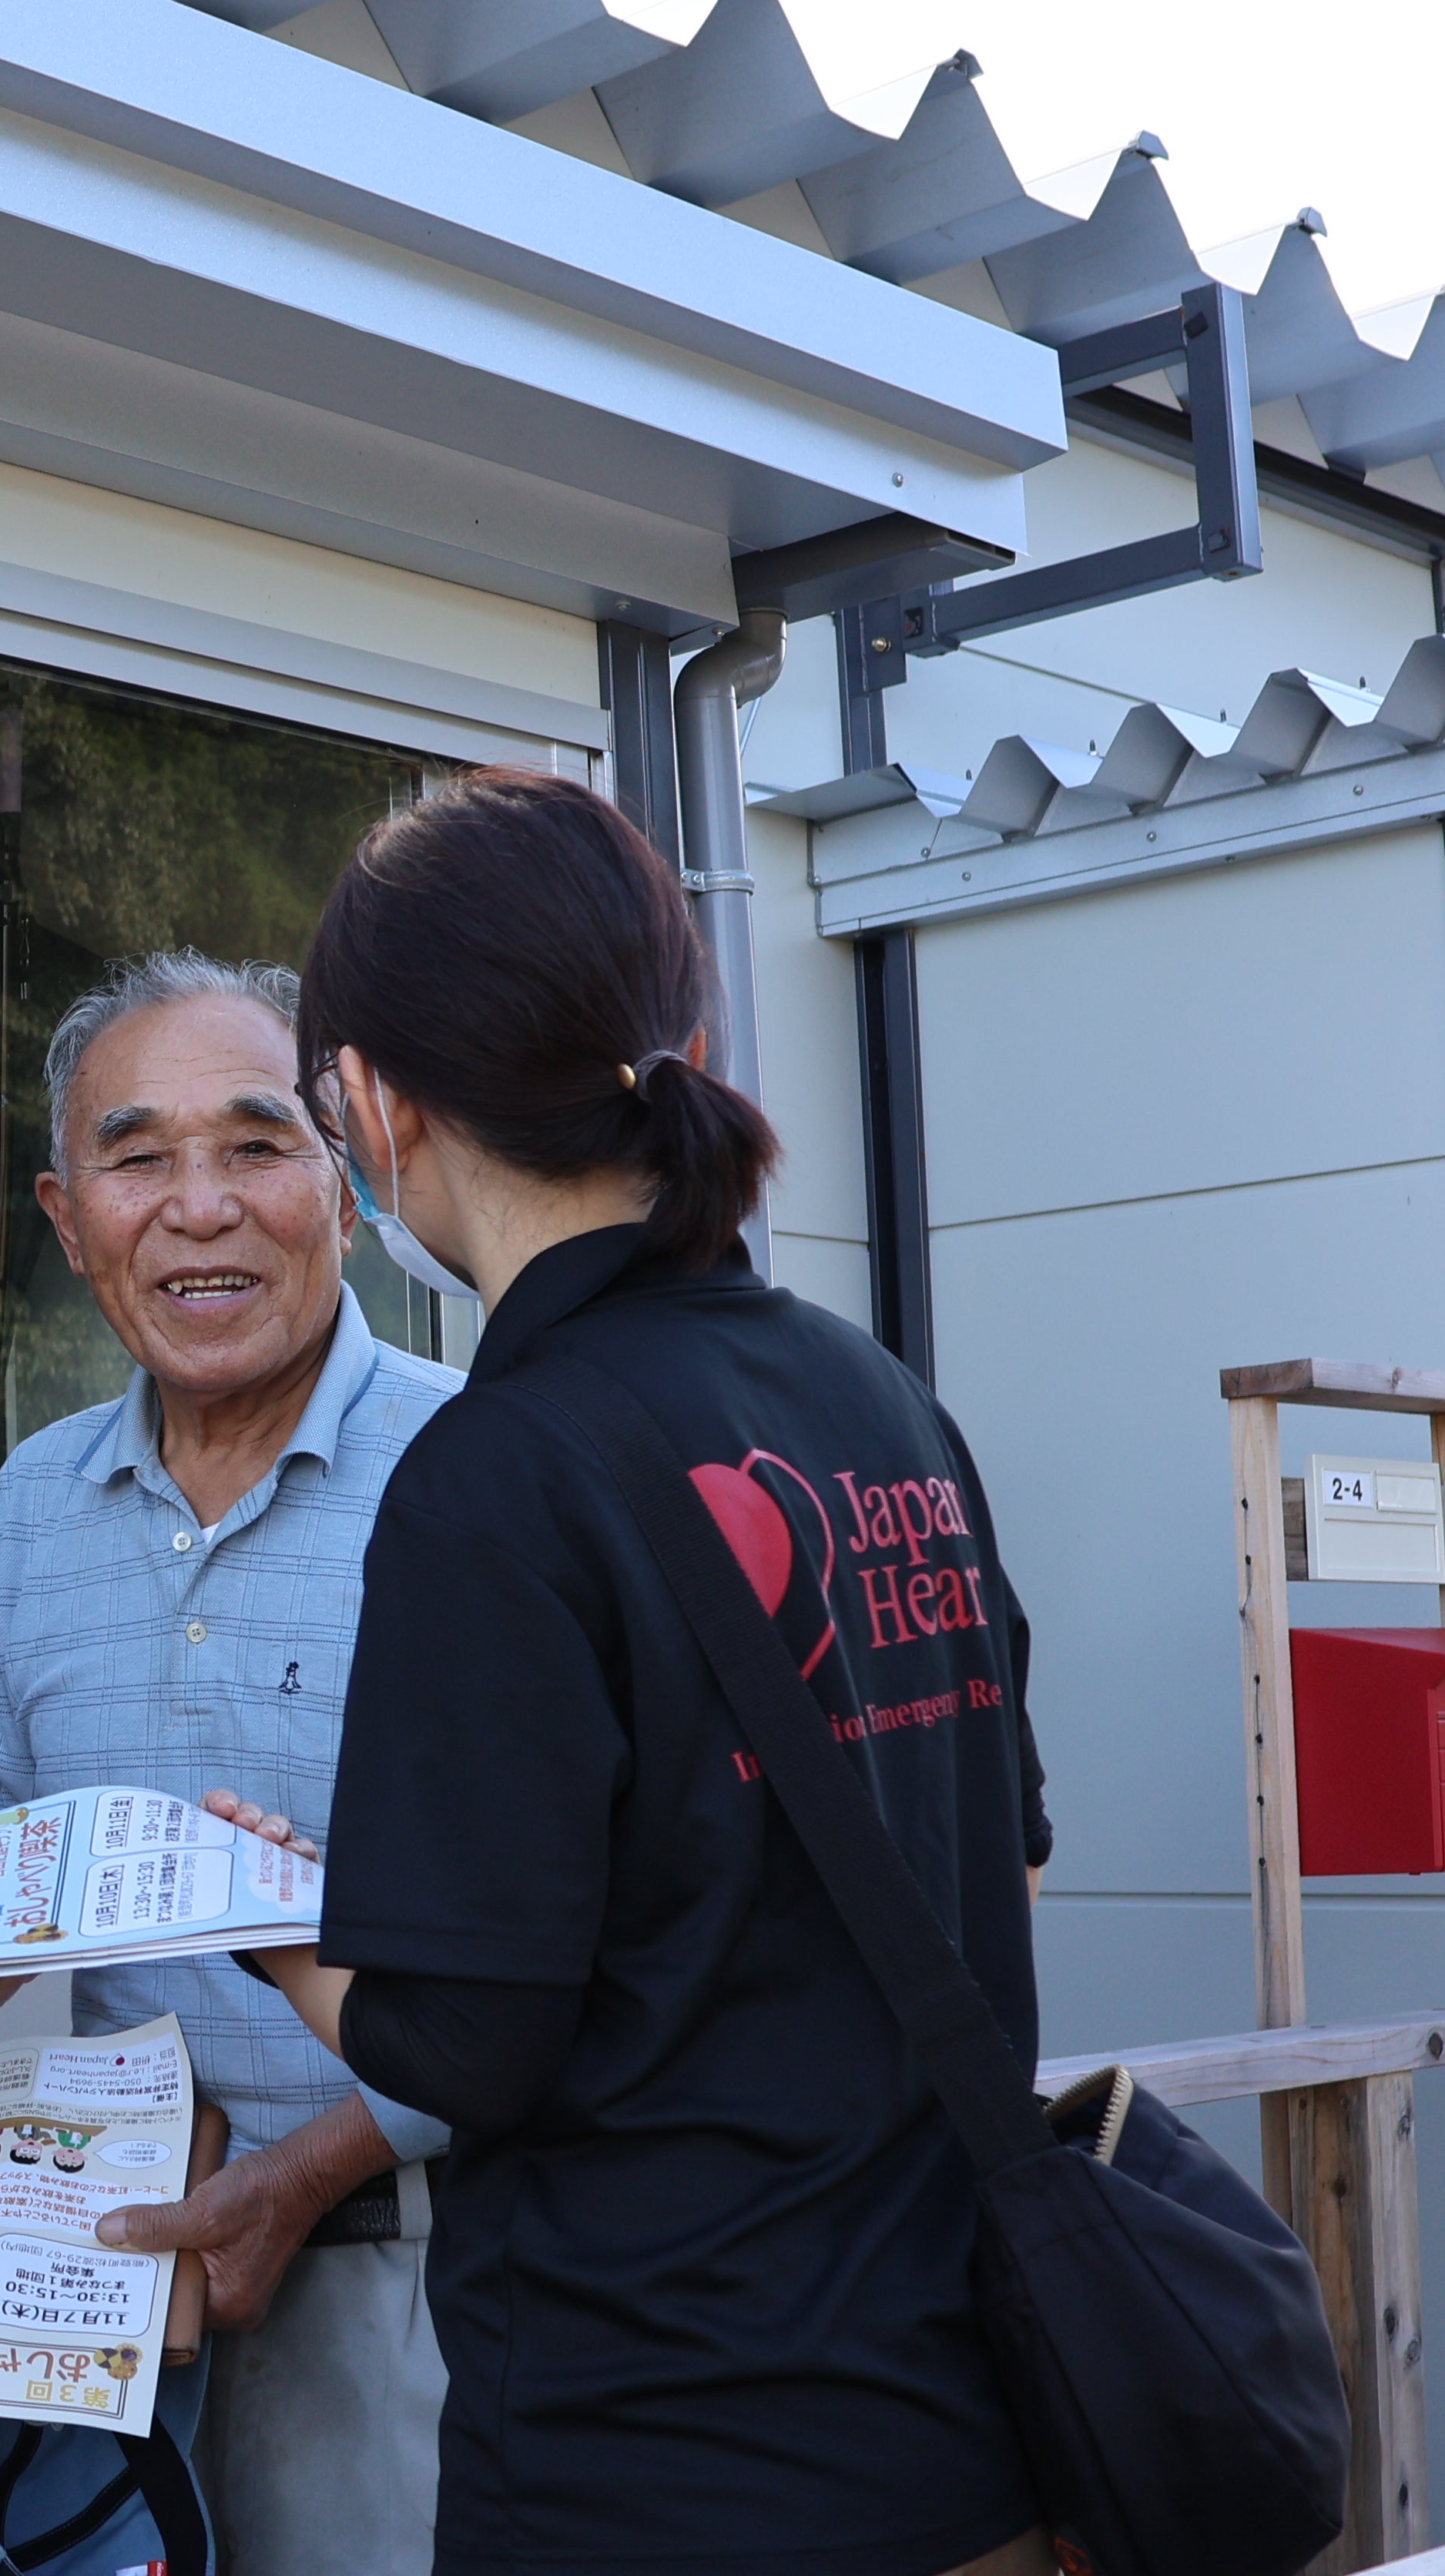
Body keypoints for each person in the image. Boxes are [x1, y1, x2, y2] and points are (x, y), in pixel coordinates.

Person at [234, 768, 1054, 2576]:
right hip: (973, 2443)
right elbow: (999, 1842)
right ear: (668, 1040)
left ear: (369, 1105)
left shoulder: (495, 1475)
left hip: (662, 2474)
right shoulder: (877, 1397)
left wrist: (268, 1924)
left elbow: (472, 2044)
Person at [0, 949, 468, 2576]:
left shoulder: (475, 1473)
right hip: (100, 2293)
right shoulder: (32, 1502)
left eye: (257, 1144)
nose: (199, 1206)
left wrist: (307, 2170)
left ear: (345, 1186)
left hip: (416, 2277)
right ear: (69, 1218)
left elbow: (571, 1928)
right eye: (138, 1157)